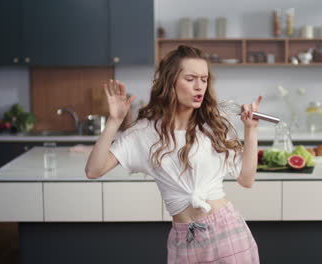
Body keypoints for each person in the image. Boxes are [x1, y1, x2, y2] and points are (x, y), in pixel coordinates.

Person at [85, 45, 261, 263]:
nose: (199, 87)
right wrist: (114, 122)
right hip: (183, 241)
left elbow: (246, 179)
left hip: (226, 234)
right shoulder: (145, 133)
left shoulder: (213, 126)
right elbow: (94, 170)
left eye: (204, 79)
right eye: (190, 79)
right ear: (170, 82)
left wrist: (251, 130)